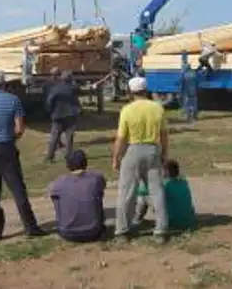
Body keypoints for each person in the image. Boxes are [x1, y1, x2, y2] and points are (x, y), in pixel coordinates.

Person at [0, 69, 45, 241]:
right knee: (18, 189)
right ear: (4, 83)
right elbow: (20, 128)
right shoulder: (13, 100)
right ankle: (30, 227)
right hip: (5, 147)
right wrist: (12, 138)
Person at [112, 76, 169, 244]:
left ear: (131, 92)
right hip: (152, 149)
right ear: (146, 90)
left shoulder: (127, 110)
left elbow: (121, 138)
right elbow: (164, 134)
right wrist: (164, 154)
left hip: (133, 149)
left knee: (127, 192)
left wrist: (116, 157)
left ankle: (122, 231)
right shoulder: (157, 108)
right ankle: (161, 230)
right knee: (157, 191)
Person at [49, 149, 107, 243]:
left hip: (67, 233)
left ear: (67, 165)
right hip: (93, 232)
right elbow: (102, 187)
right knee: (97, 193)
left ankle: (65, 220)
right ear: (85, 163)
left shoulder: (60, 181)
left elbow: (52, 194)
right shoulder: (96, 178)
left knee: (58, 198)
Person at [134, 159, 197, 232]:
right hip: (187, 222)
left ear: (165, 171)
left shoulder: (163, 184)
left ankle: (137, 220)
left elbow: (139, 191)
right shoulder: (184, 182)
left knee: (142, 197)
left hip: (169, 222)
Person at [44, 70, 81, 163]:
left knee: (54, 137)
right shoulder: (74, 88)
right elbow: (78, 90)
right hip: (71, 115)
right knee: (69, 137)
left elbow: (49, 101)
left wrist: (51, 111)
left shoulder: (56, 89)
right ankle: (68, 156)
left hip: (58, 115)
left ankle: (50, 157)